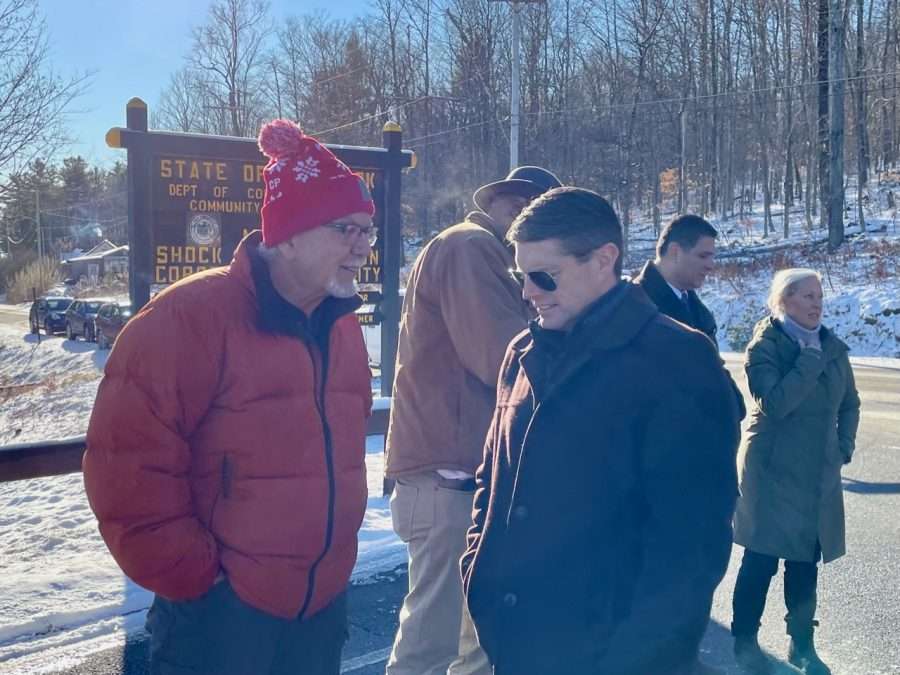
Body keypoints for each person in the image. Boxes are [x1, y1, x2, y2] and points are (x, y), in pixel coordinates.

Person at [83, 118, 377, 675]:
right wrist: (198, 578)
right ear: (288, 234)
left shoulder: (342, 323)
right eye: (347, 230)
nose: (363, 247)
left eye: (368, 231)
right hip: (221, 618)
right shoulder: (188, 317)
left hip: (321, 607)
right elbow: (126, 464)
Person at [460, 187, 742, 675]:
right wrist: (478, 577)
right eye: (520, 276)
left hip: (612, 655)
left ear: (603, 260)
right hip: (515, 644)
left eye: (545, 276)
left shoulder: (676, 359)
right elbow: (493, 482)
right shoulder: (521, 353)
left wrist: (641, 658)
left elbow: (690, 543)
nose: (528, 292)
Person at [384, 166, 562, 675]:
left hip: (463, 475)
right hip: (449, 474)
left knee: (474, 645)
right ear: (508, 207)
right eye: (528, 212)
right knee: (430, 648)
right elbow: (502, 356)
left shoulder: (488, 253)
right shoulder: (471, 246)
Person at [730, 268, 860, 675]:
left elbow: (850, 404)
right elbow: (775, 403)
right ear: (783, 301)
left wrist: (842, 448)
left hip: (817, 471)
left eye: (819, 295)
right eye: (807, 296)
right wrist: (807, 361)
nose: (817, 303)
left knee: (805, 560)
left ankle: (802, 645)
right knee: (763, 557)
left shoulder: (832, 348)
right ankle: (744, 642)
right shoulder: (765, 346)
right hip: (772, 469)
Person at [634, 214, 719, 343]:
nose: (711, 265)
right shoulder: (635, 306)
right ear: (675, 252)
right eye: (703, 256)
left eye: (712, 257)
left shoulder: (694, 307)